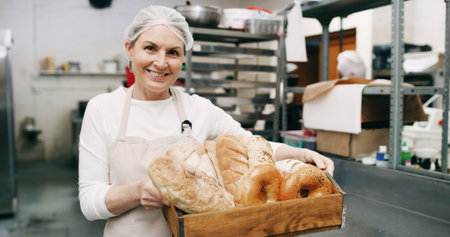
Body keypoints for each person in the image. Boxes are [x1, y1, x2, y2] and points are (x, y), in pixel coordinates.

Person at [78, 5, 335, 237]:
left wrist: (301, 155)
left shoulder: (198, 108)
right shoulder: (102, 109)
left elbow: (250, 145)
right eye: (150, 48)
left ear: (182, 59)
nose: (161, 62)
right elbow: (89, 202)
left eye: (173, 52)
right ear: (129, 50)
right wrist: (138, 190)